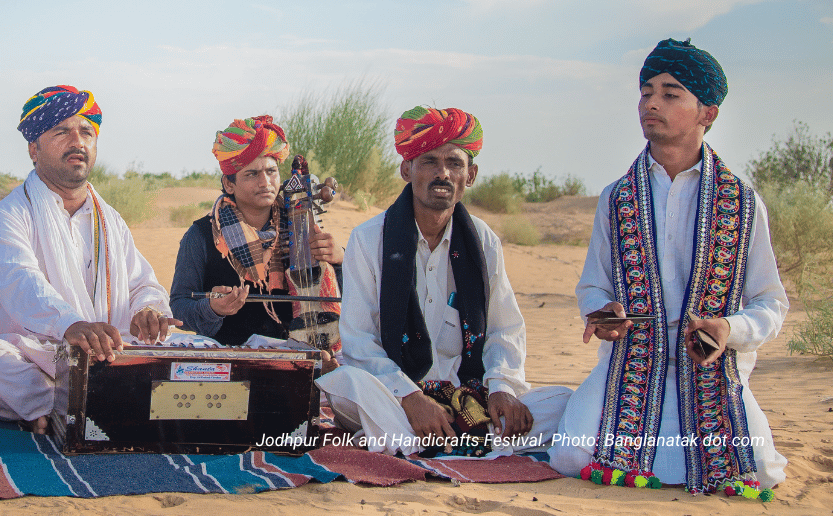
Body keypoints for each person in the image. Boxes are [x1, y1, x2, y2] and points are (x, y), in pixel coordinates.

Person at [548, 39, 787, 499]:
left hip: (711, 369)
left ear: (707, 113)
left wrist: (729, 329)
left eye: (670, 93)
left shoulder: (741, 202)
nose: (651, 103)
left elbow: (771, 302)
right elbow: (592, 284)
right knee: (574, 455)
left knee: (758, 469)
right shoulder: (617, 198)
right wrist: (602, 311)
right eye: (646, 92)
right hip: (633, 364)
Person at [315, 106, 570, 458]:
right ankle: (468, 440)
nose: (443, 174)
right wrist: (411, 398)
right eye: (429, 162)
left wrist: (500, 387)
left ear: (471, 174)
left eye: (454, 163)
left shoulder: (483, 241)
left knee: (563, 403)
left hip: (468, 395)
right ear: (407, 170)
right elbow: (359, 341)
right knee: (349, 384)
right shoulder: (369, 238)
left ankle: (424, 440)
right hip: (393, 394)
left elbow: (504, 328)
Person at [0, 85, 187, 434]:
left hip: (112, 351)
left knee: (198, 348)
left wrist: (148, 309)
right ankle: (61, 403)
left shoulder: (110, 219)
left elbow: (141, 281)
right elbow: (20, 282)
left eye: (86, 132)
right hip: (38, 355)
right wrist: (70, 325)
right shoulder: (11, 214)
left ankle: (66, 405)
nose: (78, 141)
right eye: (62, 131)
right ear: (34, 149)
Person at [170, 115, 344, 347]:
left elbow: (348, 299)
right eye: (252, 174)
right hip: (231, 364)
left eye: (271, 171)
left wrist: (341, 260)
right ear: (229, 184)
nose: (265, 182)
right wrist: (211, 308)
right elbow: (179, 307)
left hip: (301, 359)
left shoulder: (302, 223)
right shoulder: (201, 235)